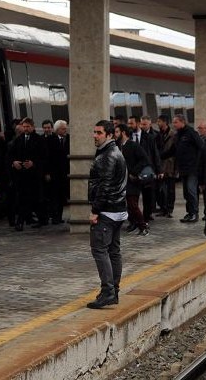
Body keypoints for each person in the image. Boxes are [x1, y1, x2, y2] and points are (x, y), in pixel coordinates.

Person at [86, 120, 128, 309]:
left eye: (99, 133)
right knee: (113, 251)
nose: (95, 135)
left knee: (100, 250)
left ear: (110, 135)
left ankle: (108, 292)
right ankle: (114, 291)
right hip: (118, 210)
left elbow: (104, 186)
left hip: (107, 211)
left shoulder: (106, 156)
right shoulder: (115, 151)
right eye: (94, 132)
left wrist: (95, 211)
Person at [114, 123, 151, 236]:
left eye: (117, 132)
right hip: (121, 181)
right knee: (128, 205)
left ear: (123, 133)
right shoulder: (117, 146)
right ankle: (134, 223)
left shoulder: (133, 145)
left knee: (133, 205)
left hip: (132, 181)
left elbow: (145, 160)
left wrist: (133, 172)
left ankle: (143, 226)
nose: (115, 134)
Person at [170, 114, 204, 223]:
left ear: (182, 122)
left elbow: (202, 147)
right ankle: (189, 213)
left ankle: (194, 213)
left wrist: (199, 163)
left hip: (192, 168)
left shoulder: (191, 133)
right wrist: (159, 156)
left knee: (191, 190)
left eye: (175, 122)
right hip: (183, 169)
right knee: (186, 192)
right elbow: (173, 150)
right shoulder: (178, 135)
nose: (173, 124)